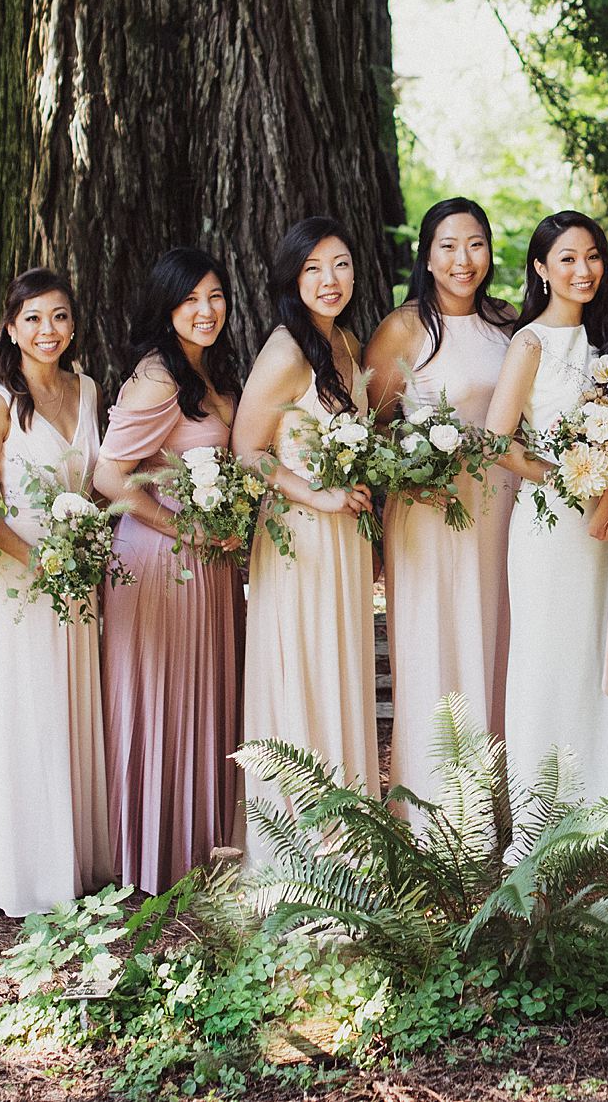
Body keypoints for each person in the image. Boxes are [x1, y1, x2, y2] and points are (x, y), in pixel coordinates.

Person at [0, 268, 114, 914]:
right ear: (10, 328)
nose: (47, 330)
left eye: (58, 317)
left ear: (73, 324)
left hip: (73, 576)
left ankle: (73, 858)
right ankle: (21, 870)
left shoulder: (89, 390)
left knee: (69, 704)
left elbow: (98, 481)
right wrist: (36, 558)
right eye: (32, 318)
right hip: (18, 579)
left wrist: (85, 549)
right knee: (27, 708)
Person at [485, 211, 608, 803]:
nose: (584, 270)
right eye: (568, 259)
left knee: (597, 645)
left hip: (603, 521)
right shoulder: (530, 341)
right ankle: (545, 802)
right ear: (541, 269)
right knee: (548, 650)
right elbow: (495, 439)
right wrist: (564, 473)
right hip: (550, 522)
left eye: (593, 257)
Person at [92, 247, 242, 894]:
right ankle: (150, 854)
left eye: (214, 297)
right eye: (190, 301)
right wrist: (185, 528)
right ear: (166, 308)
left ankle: (198, 847)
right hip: (160, 555)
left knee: (202, 691)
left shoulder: (206, 368)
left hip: (206, 556)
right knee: (160, 696)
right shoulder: (157, 376)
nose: (205, 311)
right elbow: (108, 476)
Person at [235, 217, 381, 875]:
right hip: (298, 534)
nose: (330, 279)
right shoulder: (286, 350)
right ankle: (301, 846)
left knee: (339, 668)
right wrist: (317, 496)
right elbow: (247, 449)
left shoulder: (347, 344)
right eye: (315, 267)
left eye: (341, 264)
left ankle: (349, 833)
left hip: (345, 538)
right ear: (294, 277)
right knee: (307, 671)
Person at [366, 198, 520, 805]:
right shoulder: (403, 328)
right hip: (430, 511)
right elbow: (372, 426)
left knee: (502, 636)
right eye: (449, 246)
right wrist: (414, 463)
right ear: (427, 256)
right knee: (439, 641)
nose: (464, 259)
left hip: (505, 505)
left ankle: (509, 797)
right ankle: (443, 806)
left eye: (476, 244)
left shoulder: (509, 320)